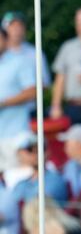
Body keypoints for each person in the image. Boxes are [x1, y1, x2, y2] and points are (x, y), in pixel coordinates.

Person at [50, 7, 81, 126]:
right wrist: (56, 106)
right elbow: (60, 79)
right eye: (79, 22)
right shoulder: (67, 47)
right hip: (71, 107)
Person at [0, 27, 36, 172]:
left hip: (16, 134)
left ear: (6, 40)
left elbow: (32, 92)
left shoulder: (20, 61)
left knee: (17, 177)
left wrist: (4, 103)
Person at [1, 11, 51, 86]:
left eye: (20, 25)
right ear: (4, 29)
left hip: (28, 97)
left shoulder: (35, 54)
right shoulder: (1, 53)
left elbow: (44, 82)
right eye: (12, 26)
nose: (16, 29)